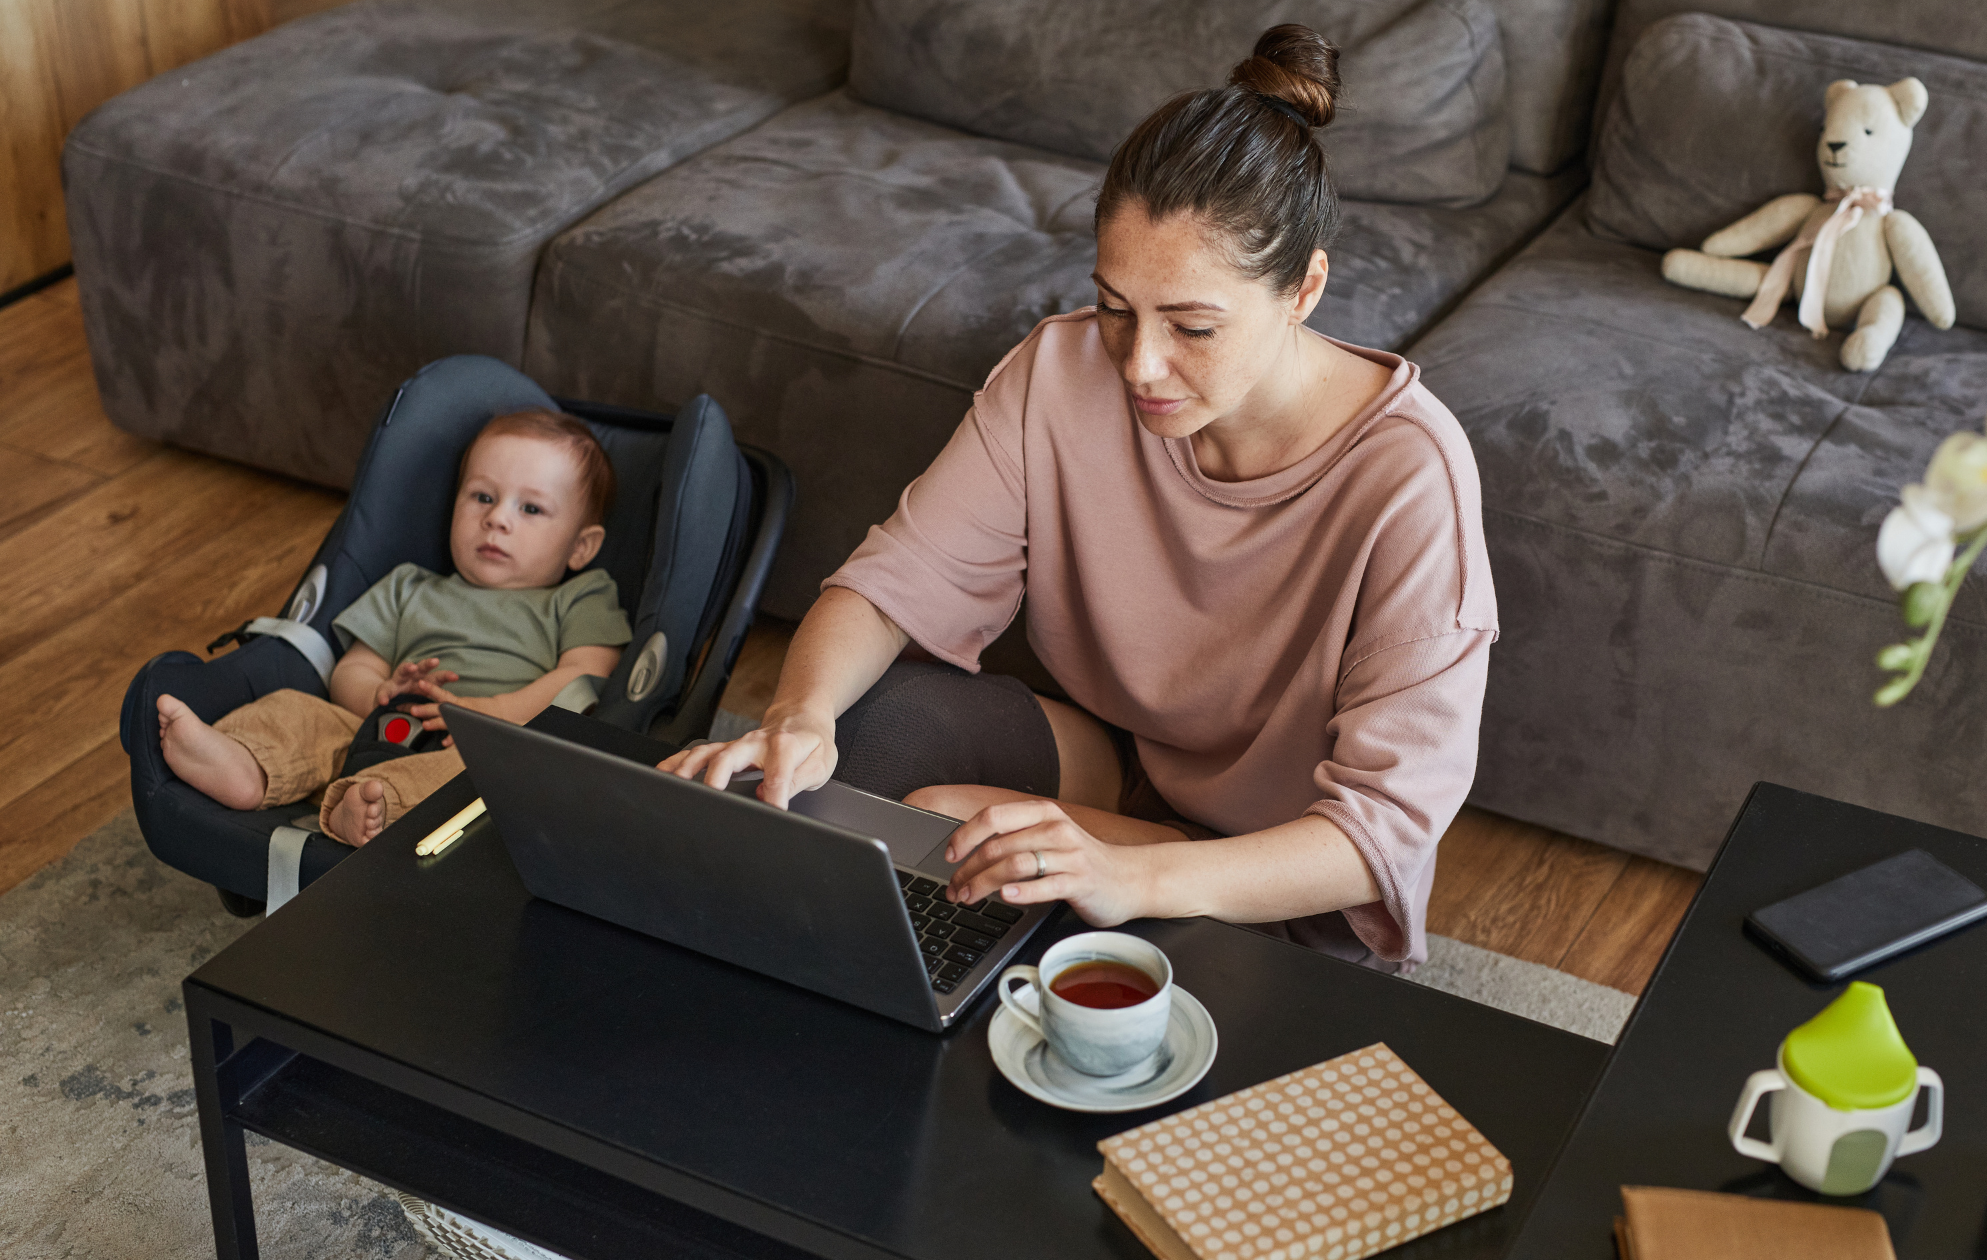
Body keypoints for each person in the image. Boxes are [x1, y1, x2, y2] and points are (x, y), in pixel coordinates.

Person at [662, 24, 1496, 971]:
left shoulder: (1408, 476)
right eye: (1114, 308)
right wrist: (797, 716)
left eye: (1192, 326)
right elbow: (898, 579)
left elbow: (1383, 829)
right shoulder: (1059, 372)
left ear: (1304, 289)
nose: (1141, 366)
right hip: (1123, 767)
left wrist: (1124, 877)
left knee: (1064, 932)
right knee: (861, 735)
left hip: (1281, 872)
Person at [156, 410, 636, 846]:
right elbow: (352, 669)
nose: (496, 520)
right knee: (297, 712)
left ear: (581, 547)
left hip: (488, 747)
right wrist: (379, 692)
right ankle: (245, 763)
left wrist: (491, 712)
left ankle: (370, 808)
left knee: (469, 777)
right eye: (482, 497)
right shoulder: (409, 586)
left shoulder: (579, 597)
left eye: (530, 509)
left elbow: (586, 678)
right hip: (379, 729)